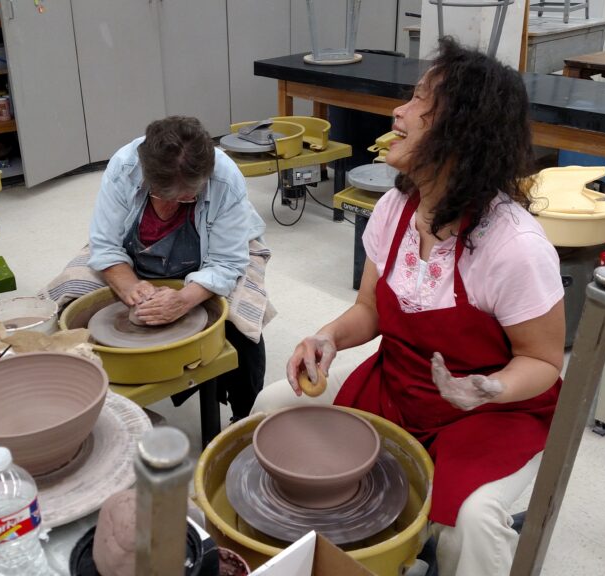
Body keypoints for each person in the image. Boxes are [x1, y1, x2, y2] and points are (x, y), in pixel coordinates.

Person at [252, 38, 564, 576]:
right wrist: (327, 337)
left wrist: (490, 388)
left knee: (473, 520)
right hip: (398, 387)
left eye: (422, 100)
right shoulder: (397, 208)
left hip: (490, 413)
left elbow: (543, 362)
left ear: (465, 131)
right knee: (273, 408)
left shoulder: (514, 245)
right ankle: (307, 555)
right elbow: (370, 311)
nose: (398, 110)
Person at [44, 116, 273, 420]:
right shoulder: (125, 167)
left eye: (191, 194)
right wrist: (130, 287)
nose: (185, 201)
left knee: (243, 327)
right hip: (131, 254)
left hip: (219, 256)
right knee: (67, 305)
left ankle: (244, 417)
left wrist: (184, 299)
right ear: (148, 179)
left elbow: (227, 262)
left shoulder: (225, 178)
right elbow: (105, 245)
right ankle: (97, 410)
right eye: (171, 196)